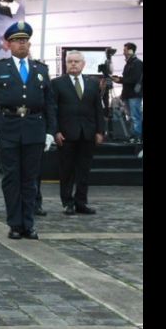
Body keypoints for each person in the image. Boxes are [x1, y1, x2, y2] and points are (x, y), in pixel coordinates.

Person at [0, 21, 56, 240]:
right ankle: (15, 224)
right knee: (11, 178)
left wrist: (50, 131)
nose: (21, 44)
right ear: (9, 45)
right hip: (8, 127)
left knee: (30, 179)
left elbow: (50, 103)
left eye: (24, 40)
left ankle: (29, 223)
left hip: (34, 127)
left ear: (29, 44)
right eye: (16, 41)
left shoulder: (41, 69)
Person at [53, 50, 105, 215]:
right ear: (66, 64)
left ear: (83, 64)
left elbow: (98, 109)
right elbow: (53, 110)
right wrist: (55, 131)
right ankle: (67, 202)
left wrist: (100, 131)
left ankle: (81, 202)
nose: (73, 64)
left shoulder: (93, 83)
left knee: (84, 170)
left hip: (88, 133)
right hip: (66, 134)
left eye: (76, 61)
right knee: (66, 171)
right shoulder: (57, 83)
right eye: (70, 61)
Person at [111, 42, 143, 143]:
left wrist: (120, 80)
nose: (123, 52)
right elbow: (128, 79)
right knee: (131, 117)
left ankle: (137, 137)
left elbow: (134, 79)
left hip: (134, 95)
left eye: (125, 50)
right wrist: (119, 79)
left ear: (130, 51)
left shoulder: (137, 63)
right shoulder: (129, 63)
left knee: (135, 116)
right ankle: (133, 137)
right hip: (128, 95)